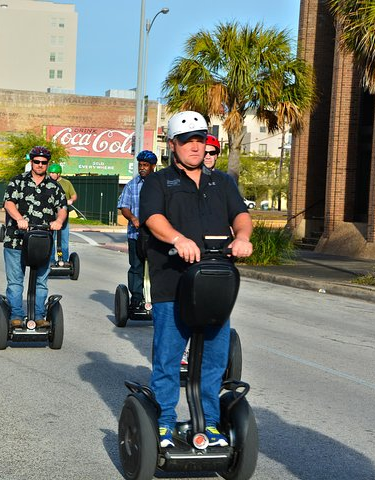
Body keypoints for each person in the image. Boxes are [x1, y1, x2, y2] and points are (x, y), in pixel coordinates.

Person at [139, 111, 253, 449]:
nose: (194, 146)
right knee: (169, 358)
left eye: (200, 140)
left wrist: (243, 237)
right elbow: (153, 218)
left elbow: (241, 216)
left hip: (215, 285)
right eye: (187, 141)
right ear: (172, 145)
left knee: (216, 358)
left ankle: (211, 423)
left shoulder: (222, 182)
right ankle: (163, 422)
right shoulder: (159, 182)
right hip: (173, 284)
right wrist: (178, 239)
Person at [2, 146, 67, 327]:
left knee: (41, 281)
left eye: (43, 162)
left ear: (47, 164)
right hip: (16, 239)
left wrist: (59, 221)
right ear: (31, 162)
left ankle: (39, 317)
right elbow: (9, 203)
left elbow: (62, 208)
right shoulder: (18, 181)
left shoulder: (54, 186)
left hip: (42, 241)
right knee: (15, 281)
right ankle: (15, 316)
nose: (40, 165)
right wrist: (19, 219)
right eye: (36, 161)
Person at [117, 150, 157, 310]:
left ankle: (156, 299)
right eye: (140, 165)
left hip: (157, 236)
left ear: (153, 166)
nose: (142, 168)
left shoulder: (160, 184)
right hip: (136, 234)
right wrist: (134, 219)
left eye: (146, 165)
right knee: (136, 267)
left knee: (157, 268)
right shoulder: (132, 185)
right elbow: (124, 206)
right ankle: (137, 299)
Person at [47, 163, 77, 263]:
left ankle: (64, 261)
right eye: (50, 173)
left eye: (54, 173)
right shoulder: (47, 183)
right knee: (51, 239)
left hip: (63, 216)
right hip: (51, 216)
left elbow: (74, 195)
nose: (51, 175)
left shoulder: (66, 183)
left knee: (64, 240)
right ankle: (51, 260)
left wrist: (71, 200)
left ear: (59, 174)